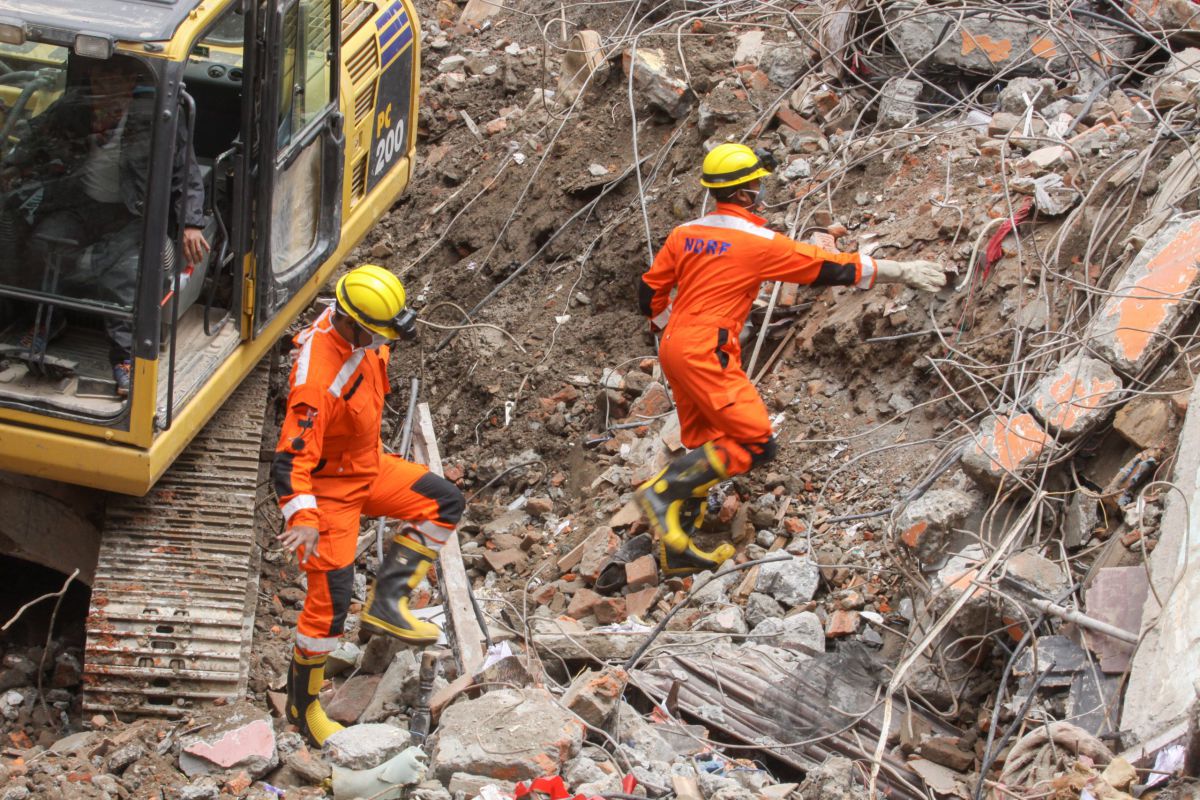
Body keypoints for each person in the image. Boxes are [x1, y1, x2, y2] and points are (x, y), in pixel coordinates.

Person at [635, 143, 946, 577]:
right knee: (755, 441)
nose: (761, 190)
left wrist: (670, 329)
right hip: (708, 349)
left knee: (704, 442)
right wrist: (900, 270)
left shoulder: (684, 233)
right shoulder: (758, 243)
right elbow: (830, 267)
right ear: (745, 195)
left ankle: (678, 548)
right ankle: (662, 494)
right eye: (756, 185)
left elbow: (649, 290)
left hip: (674, 346)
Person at [271, 264, 465, 746]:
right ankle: (303, 707)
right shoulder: (316, 381)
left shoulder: (362, 329)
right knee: (329, 607)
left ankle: (387, 601)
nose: (384, 343)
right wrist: (305, 517)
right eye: (378, 334)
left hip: (367, 466)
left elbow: (384, 335)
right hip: (330, 490)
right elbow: (289, 461)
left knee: (444, 502)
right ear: (352, 323)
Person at [1, 55, 208, 395]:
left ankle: (126, 357)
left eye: (115, 80)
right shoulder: (77, 108)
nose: (105, 88)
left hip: (134, 212)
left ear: (130, 83)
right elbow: (36, 138)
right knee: (42, 243)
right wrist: (13, 166)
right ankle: (46, 321)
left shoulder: (157, 117)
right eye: (100, 80)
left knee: (124, 271)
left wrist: (191, 222)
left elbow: (183, 171)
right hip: (81, 205)